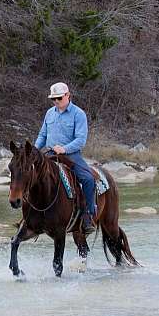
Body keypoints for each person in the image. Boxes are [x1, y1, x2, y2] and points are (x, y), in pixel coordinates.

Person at [34, 82, 96, 235]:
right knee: (30, 176)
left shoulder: (78, 114)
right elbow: (43, 135)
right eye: (53, 99)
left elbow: (81, 139)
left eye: (59, 98)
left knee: (88, 179)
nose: (56, 102)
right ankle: (31, 214)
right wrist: (34, 151)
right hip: (49, 154)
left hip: (71, 156)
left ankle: (87, 214)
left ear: (68, 95)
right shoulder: (49, 113)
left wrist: (64, 148)